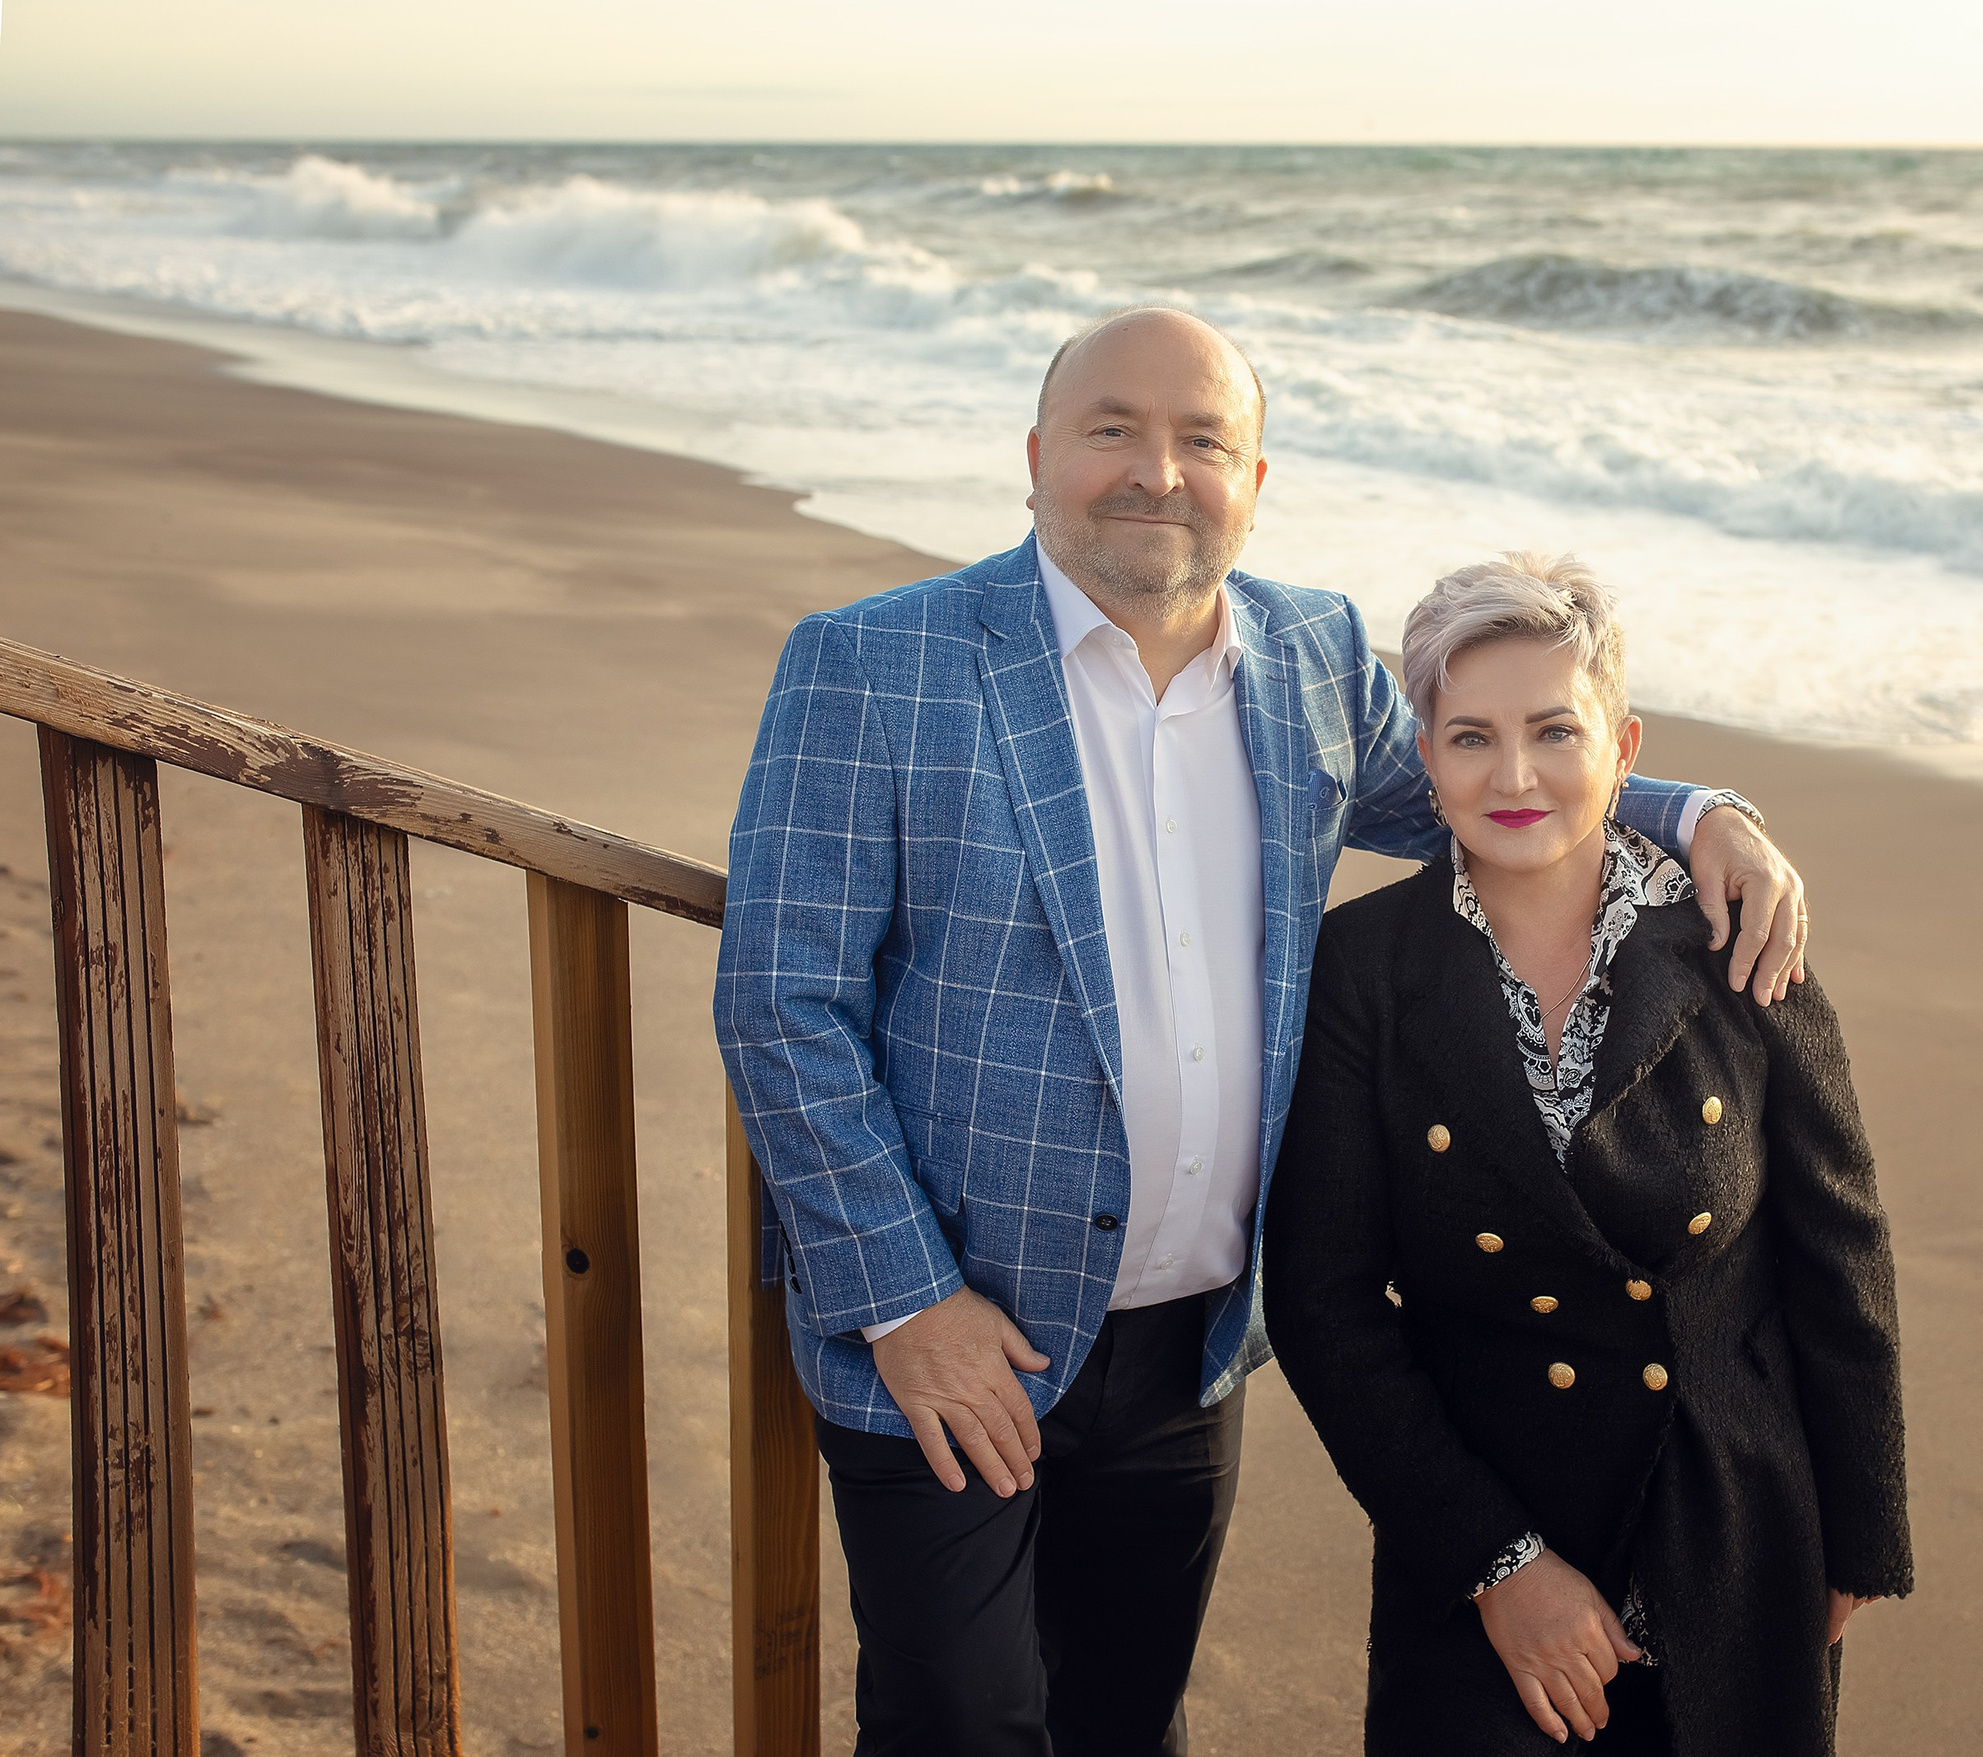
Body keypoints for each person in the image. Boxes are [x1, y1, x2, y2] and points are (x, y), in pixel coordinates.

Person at [712, 307, 1813, 1756]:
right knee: (960, 1722)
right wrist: (903, 1302)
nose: (1156, 473)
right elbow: (782, 1000)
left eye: (1203, 442)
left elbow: (1485, 790)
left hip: (1192, 1348)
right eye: (1113, 430)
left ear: (1256, 477)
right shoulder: (876, 665)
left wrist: (1697, 811)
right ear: (1039, 456)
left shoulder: (1312, 651)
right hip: (961, 1336)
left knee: (1127, 1718)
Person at [1263, 554, 1912, 1756]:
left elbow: (1840, 1242)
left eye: (1553, 729)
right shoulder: (1363, 970)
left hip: (1733, 1527)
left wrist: (1860, 1530)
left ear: (1623, 745)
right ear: (1425, 754)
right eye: (1470, 737)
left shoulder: (1734, 933)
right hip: (1481, 1530)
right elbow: (1325, 1301)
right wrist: (1496, 1560)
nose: (1513, 775)